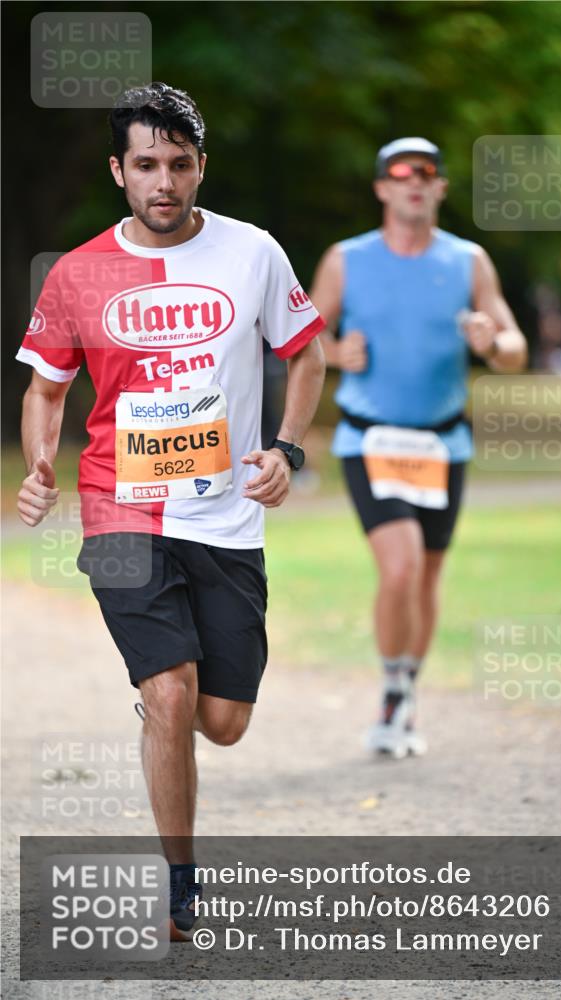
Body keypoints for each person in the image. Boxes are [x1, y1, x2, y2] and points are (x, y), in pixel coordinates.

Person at [16, 82, 326, 939]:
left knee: (222, 723)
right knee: (170, 691)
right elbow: (47, 388)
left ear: (200, 168)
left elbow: (305, 355)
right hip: (119, 505)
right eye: (146, 165)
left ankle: (173, 713)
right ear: (119, 171)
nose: (164, 182)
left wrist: (286, 449)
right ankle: (181, 883)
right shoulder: (79, 273)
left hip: (225, 517)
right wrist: (41, 463)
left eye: (179, 164)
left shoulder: (252, 253)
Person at [310, 137, 527, 759]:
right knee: (400, 566)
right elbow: (300, 337)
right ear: (382, 188)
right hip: (371, 438)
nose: (413, 183)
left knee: (427, 574)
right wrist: (334, 352)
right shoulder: (346, 259)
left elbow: (515, 349)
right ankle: (389, 690)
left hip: (442, 444)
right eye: (400, 175)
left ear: (440, 188)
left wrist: (491, 342)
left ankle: (406, 689)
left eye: (425, 174)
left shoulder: (468, 261)